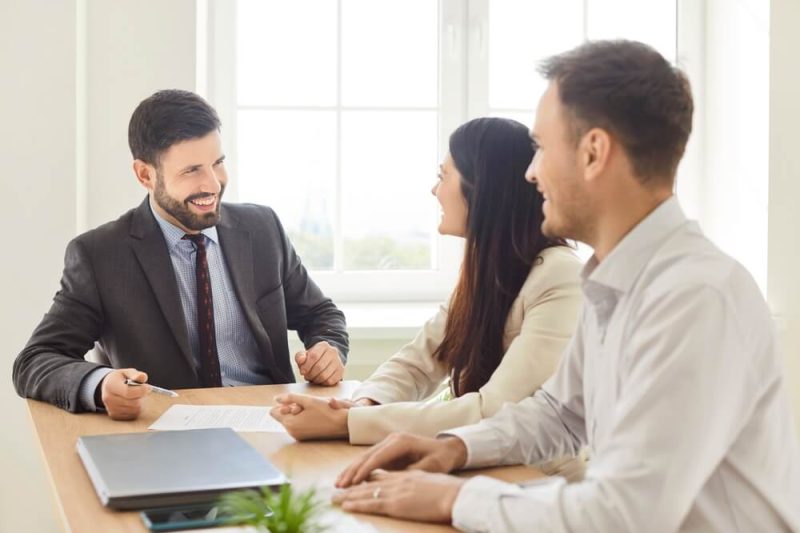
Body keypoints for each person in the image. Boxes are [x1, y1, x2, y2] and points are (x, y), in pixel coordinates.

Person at [331, 40, 800, 531]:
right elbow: (558, 413)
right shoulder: (613, 279)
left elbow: (625, 514)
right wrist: (453, 447)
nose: (530, 173)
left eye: (540, 148)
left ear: (594, 152)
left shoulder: (696, 297)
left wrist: (456, 499)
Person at [12, 89, 349, 420]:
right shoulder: (100, 255)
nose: (213, 184)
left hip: (271, 420)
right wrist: (100, 385)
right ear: (146, 175)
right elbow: (35, 360)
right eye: (191, 171)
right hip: (166, 432)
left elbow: (320, 314)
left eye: (217, 163)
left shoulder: (262, 229)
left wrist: (327, 349)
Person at [270, 118, 583, 460]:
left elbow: (492, 411)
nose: (434, 191)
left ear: (482, 187)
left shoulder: (560, 276)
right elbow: (417, 363)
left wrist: (347, 423)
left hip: (536, 480)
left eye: (442, 176)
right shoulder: (485, 272)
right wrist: (362, 403)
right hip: (482, 468)